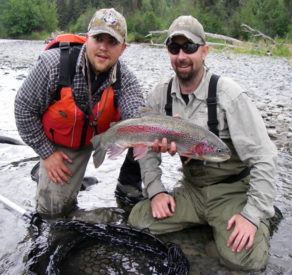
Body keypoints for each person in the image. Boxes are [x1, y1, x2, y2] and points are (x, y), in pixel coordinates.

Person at [128, 15, 278, 271]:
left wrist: (251, 217)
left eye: (189, 47)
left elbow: (265, 157)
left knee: (245, 261)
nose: (181, 56)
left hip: (231, 191)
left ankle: (264, 215)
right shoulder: (159, 95)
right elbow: (146, 150)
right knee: (139, 221)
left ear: (205, 51)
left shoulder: (228, 95)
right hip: (192, 190)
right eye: (174, 48)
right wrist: (157, 191)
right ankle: (206, 224)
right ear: (168, 52)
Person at [14, 8, 144, 217]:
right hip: (61, 143)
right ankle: (43, 171)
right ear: (86, 39)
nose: (103, 48)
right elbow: (23, 110)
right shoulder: (53, 65)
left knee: (144, 132)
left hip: (100, 137)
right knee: (53, 213)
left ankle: (127, 186)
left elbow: (135, 113)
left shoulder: (125, 78)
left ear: (123, 49)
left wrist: (159, 130)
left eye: (112, 42)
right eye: (98, 39)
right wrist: (47, 154)